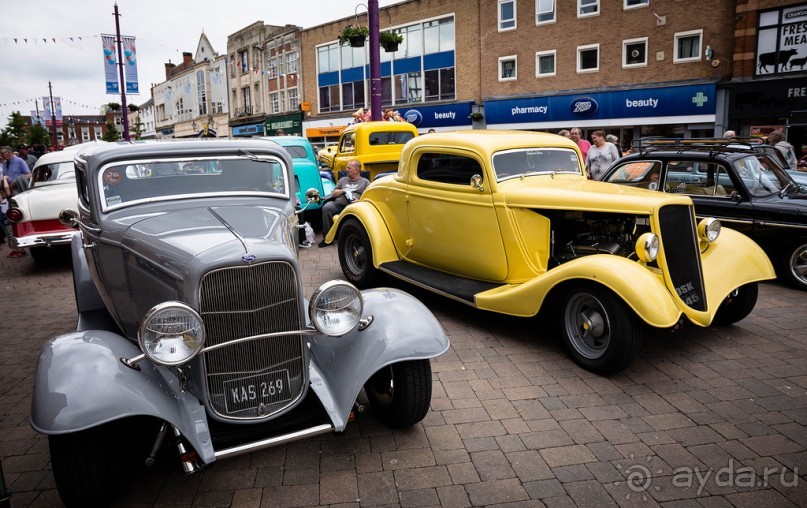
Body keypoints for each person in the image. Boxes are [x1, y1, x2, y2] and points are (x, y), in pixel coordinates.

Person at [319, 159, 370, 247]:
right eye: (347, 168)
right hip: (338, 204)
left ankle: (353, 237)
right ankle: (327, 238)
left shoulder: (365, 182)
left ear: (357, 169)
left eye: (349, 168)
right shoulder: (343, 180)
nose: (346, 170)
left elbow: (369, 196)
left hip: (354, 205)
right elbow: (334, 193)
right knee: (327, 207)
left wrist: (360, 201)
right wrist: (343, 190)